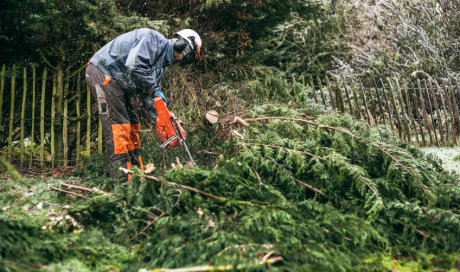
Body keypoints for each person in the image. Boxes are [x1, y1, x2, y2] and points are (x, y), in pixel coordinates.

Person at [85, 28, 202, 180]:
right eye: (187, 57)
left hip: (119, 82)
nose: (182, 61)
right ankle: (123, 184)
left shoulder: (160, 67)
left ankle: (137, 178)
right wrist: (155, 90)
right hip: (102, 73)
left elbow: (149, 96)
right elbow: (135, 66)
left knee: (133, 126)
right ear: (182, 45)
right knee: (119, 127)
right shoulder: (152, 39)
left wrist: (164, 118)